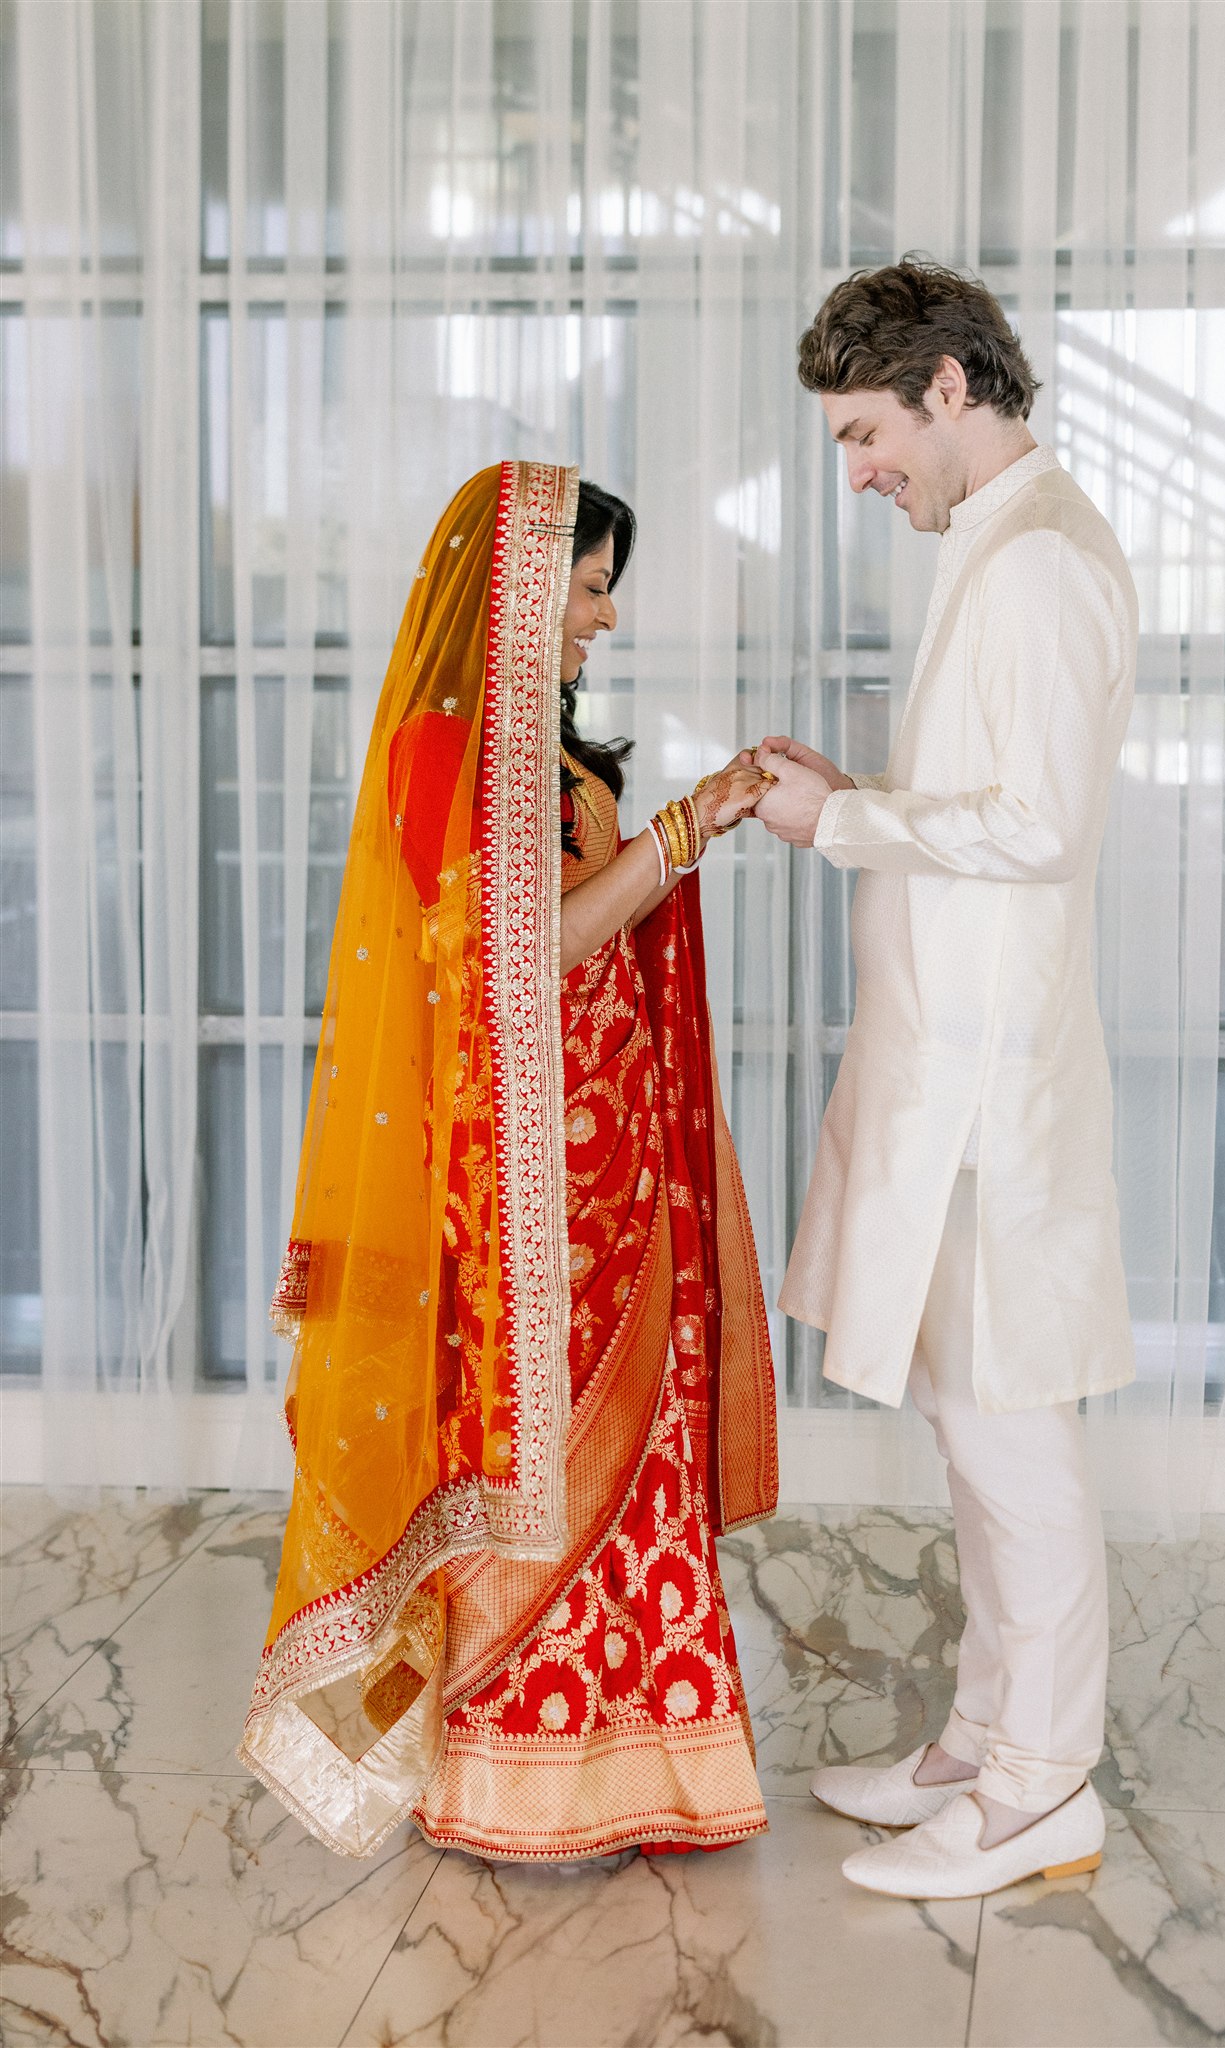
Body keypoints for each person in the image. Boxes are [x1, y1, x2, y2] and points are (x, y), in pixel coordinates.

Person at [241, 461, 779, 1862]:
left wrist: (675, 827)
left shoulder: (534, 755)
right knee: (529, 1448)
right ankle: (512, 1773)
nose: (602, 619)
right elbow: (523, 957)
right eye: (589, 587)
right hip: (521, 1180)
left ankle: (648, 1759)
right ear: (527, 586)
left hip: (607, 1162)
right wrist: (686, 826)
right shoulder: (440, 753)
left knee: (632, 1451)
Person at [754, 259, 1138, 1900]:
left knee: (1009, 1436)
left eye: (861, 434)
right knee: (967, 1425)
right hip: (948, 1070)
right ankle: (986, 1741)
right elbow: (991, 794)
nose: (855, 472)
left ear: (949, 389)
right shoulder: (996, 543)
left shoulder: (1040, 562)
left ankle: (1046, 1784)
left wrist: (839, 822)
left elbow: (1042, 830)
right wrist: (873, 792)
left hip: (990, 1086)